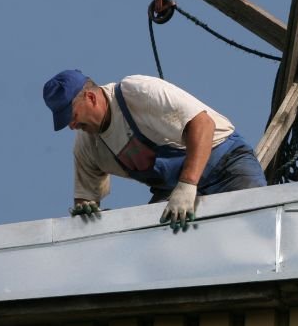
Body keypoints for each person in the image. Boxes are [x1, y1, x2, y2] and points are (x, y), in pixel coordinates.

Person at [42, 69, 266, 229]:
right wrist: (85, 215)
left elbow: (202, 124)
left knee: (257, 223)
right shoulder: (87, 144)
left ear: (91, 97)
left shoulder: (137, 92)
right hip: (172, 191)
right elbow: (86, 200)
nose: (72, 126)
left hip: (226, 164)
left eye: (73, 117)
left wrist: (188, 185)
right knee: (156, 247)